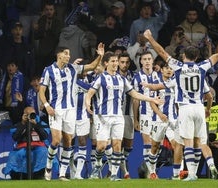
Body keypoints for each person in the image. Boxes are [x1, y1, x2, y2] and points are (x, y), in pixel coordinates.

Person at [143, 29, 218, 181]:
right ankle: (211, 166)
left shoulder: (178, 67)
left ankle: (192, 175)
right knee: (200, 141)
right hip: (200, 107)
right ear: (197, 56)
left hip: (185, 108)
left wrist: (150, 38)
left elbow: (161, 51)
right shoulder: (202, 67)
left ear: (184, 56)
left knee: (187, 142)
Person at [85, 51, 163, 181]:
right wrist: (88, 104)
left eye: (116, 61)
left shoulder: (122, 79)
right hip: (102, 117)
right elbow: (90, 93)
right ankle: (98, 163)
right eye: (113, 61)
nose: (116, 64)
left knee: (117, 145)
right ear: (106, 63)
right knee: (101, 146)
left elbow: (134, 94)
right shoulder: (101, 78)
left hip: (118, 117)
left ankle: (114, 174)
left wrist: (151, 99)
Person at [39, 42, 105, 181]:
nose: (69, 56)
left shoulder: (73, 68)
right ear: (59, 55)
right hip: (56, 110)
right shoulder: (49, 70)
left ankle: (62, 174)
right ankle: (49, 165)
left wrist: (100, 56)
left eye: (69, 54)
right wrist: (46, 105)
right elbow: (41, 91)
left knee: (68, 142)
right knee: (56, 141)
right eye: (66, 54)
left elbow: (91, 66)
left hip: (70, 111)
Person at [131, 51, 160, 177]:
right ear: (141, 62)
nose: (147, 61)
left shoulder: (159, 75)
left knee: (156, 144)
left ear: (153, 61)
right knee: (147, 142)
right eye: (145, 59)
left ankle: (150, 169)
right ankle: (151, 173)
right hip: (145, 113)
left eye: (149, 59)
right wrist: (136, 119)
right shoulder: (137, 78)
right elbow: (135, 99)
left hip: (158, 114)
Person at [4, 106, 50, 180]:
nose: (30, 116)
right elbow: (15, 137)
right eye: (27, 114)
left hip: (39, 147)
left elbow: (44, 136)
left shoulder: (41, 123)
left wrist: (36, 125)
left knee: (43, 152)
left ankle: (40, 175)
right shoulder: (18, 125)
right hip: (22, 148)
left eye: (32, 114)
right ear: (24, 115)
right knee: (17, 155)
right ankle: (17, 176)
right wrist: (23, 124)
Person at [117, 52, 135, 179]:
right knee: (118, 143)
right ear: (118, 62)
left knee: (128, 146)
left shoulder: (134, 76)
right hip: (116, 114)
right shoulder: (112, 76)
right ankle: (124, 172)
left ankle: (119, 165)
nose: (124, 65)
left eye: (126, 62)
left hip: (130, 114)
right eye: (122, 62)